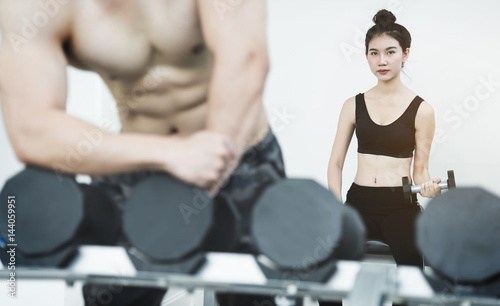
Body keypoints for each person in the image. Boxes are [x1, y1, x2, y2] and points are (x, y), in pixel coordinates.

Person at [0, 1, 283, 305]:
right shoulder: (32, 6)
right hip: (139, 165)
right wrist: (172, 154)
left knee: (254, 296)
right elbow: (31, 127)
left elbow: (246, 58)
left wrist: (211, 162)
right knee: (112, 298)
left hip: (239, 152)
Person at [327, 9, 441, 269]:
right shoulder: (352, 105)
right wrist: (337, 208)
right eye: (374, 53)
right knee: (328, 263)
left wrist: (428, 186)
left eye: (390, 52)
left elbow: (420, 171)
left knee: (411, 274)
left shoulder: (423, 111)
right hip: (358, 203)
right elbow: (335, 163)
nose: (382, 61)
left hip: (399, 207)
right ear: (367, 56)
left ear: (405, 55)